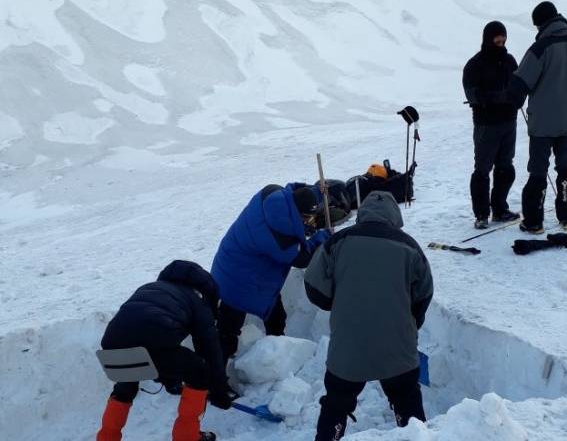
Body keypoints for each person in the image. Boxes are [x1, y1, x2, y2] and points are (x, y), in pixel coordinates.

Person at [304, 191, 434, 441]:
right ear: (395, 217)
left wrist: (341, 306)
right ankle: (415, 434)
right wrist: (408, 325)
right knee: (407, 400)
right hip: (398, 347)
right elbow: (423, 296)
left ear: (362, 213)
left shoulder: (338, 241)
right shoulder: (410, 247)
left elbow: (314, 288)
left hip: (348, 347)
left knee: (336, 403)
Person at [96, 260, 232, 441]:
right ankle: (187, 437)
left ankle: (107, 437)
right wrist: (218, 390)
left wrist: (169, 377)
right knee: (200, 371)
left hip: (112, 343)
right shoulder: (197, 302)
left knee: (125, 385)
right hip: (153, 339)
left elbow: (150, 338)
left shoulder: (151, 287)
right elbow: (209, 350)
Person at [212, 184, 331, 361]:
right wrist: (324, 237)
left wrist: (317, 191)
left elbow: (295, 189)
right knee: (227, 333)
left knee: (277, 318)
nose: (308, 223)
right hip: (238, 280)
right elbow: (300, 258)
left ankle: (276, 357)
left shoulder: (273, 194)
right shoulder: (279, 237)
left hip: (241, 262)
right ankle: (216, 381)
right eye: (306, 218)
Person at [509, 1, 567, 233]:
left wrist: (512, 96)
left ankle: (534, 221)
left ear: (541, 23)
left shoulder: (541, 47)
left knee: (538, 169)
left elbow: (520, 83)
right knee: (566, 165)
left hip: (543, 124)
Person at [462, 21, 521, 229]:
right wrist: (501, 97)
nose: (501, 41)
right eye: (497, 38)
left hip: (509, 122)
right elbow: (472, 94)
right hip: (486, 125)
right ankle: (481, 215)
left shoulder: (510, 61)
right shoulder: (474, 65)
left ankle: (499, 209)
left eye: (503, 38)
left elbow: (519, 85)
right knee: (482, 170)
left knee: (506, 168)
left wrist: (518, 98)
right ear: (488, 38)